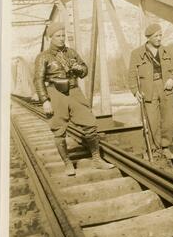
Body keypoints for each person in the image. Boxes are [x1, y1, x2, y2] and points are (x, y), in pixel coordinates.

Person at [34, 22, 114, 176]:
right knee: (59, 130)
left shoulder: (71, 53)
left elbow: (85, 71)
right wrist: (45, 100)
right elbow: (38, 80)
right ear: (50, 37)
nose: (61, 38)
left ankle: (97, 159)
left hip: (74, 91)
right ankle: (67, 163)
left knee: (90, 124)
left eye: (63, 35)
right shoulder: (43, 57)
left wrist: (80, 69)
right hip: (55, 93)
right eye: (58, 36)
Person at [128, 23, 173, 157]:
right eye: (156, 36)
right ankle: (154, 148)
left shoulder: (166, 51)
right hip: (148, 89)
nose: (159, 38)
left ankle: (166, 146)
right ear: (149, 37)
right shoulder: (137, 53)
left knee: (168, 119)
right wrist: (135, 91)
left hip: (165, 88)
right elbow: (132, 74)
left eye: (160, 35)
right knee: (152, 119)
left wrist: (172, 79)